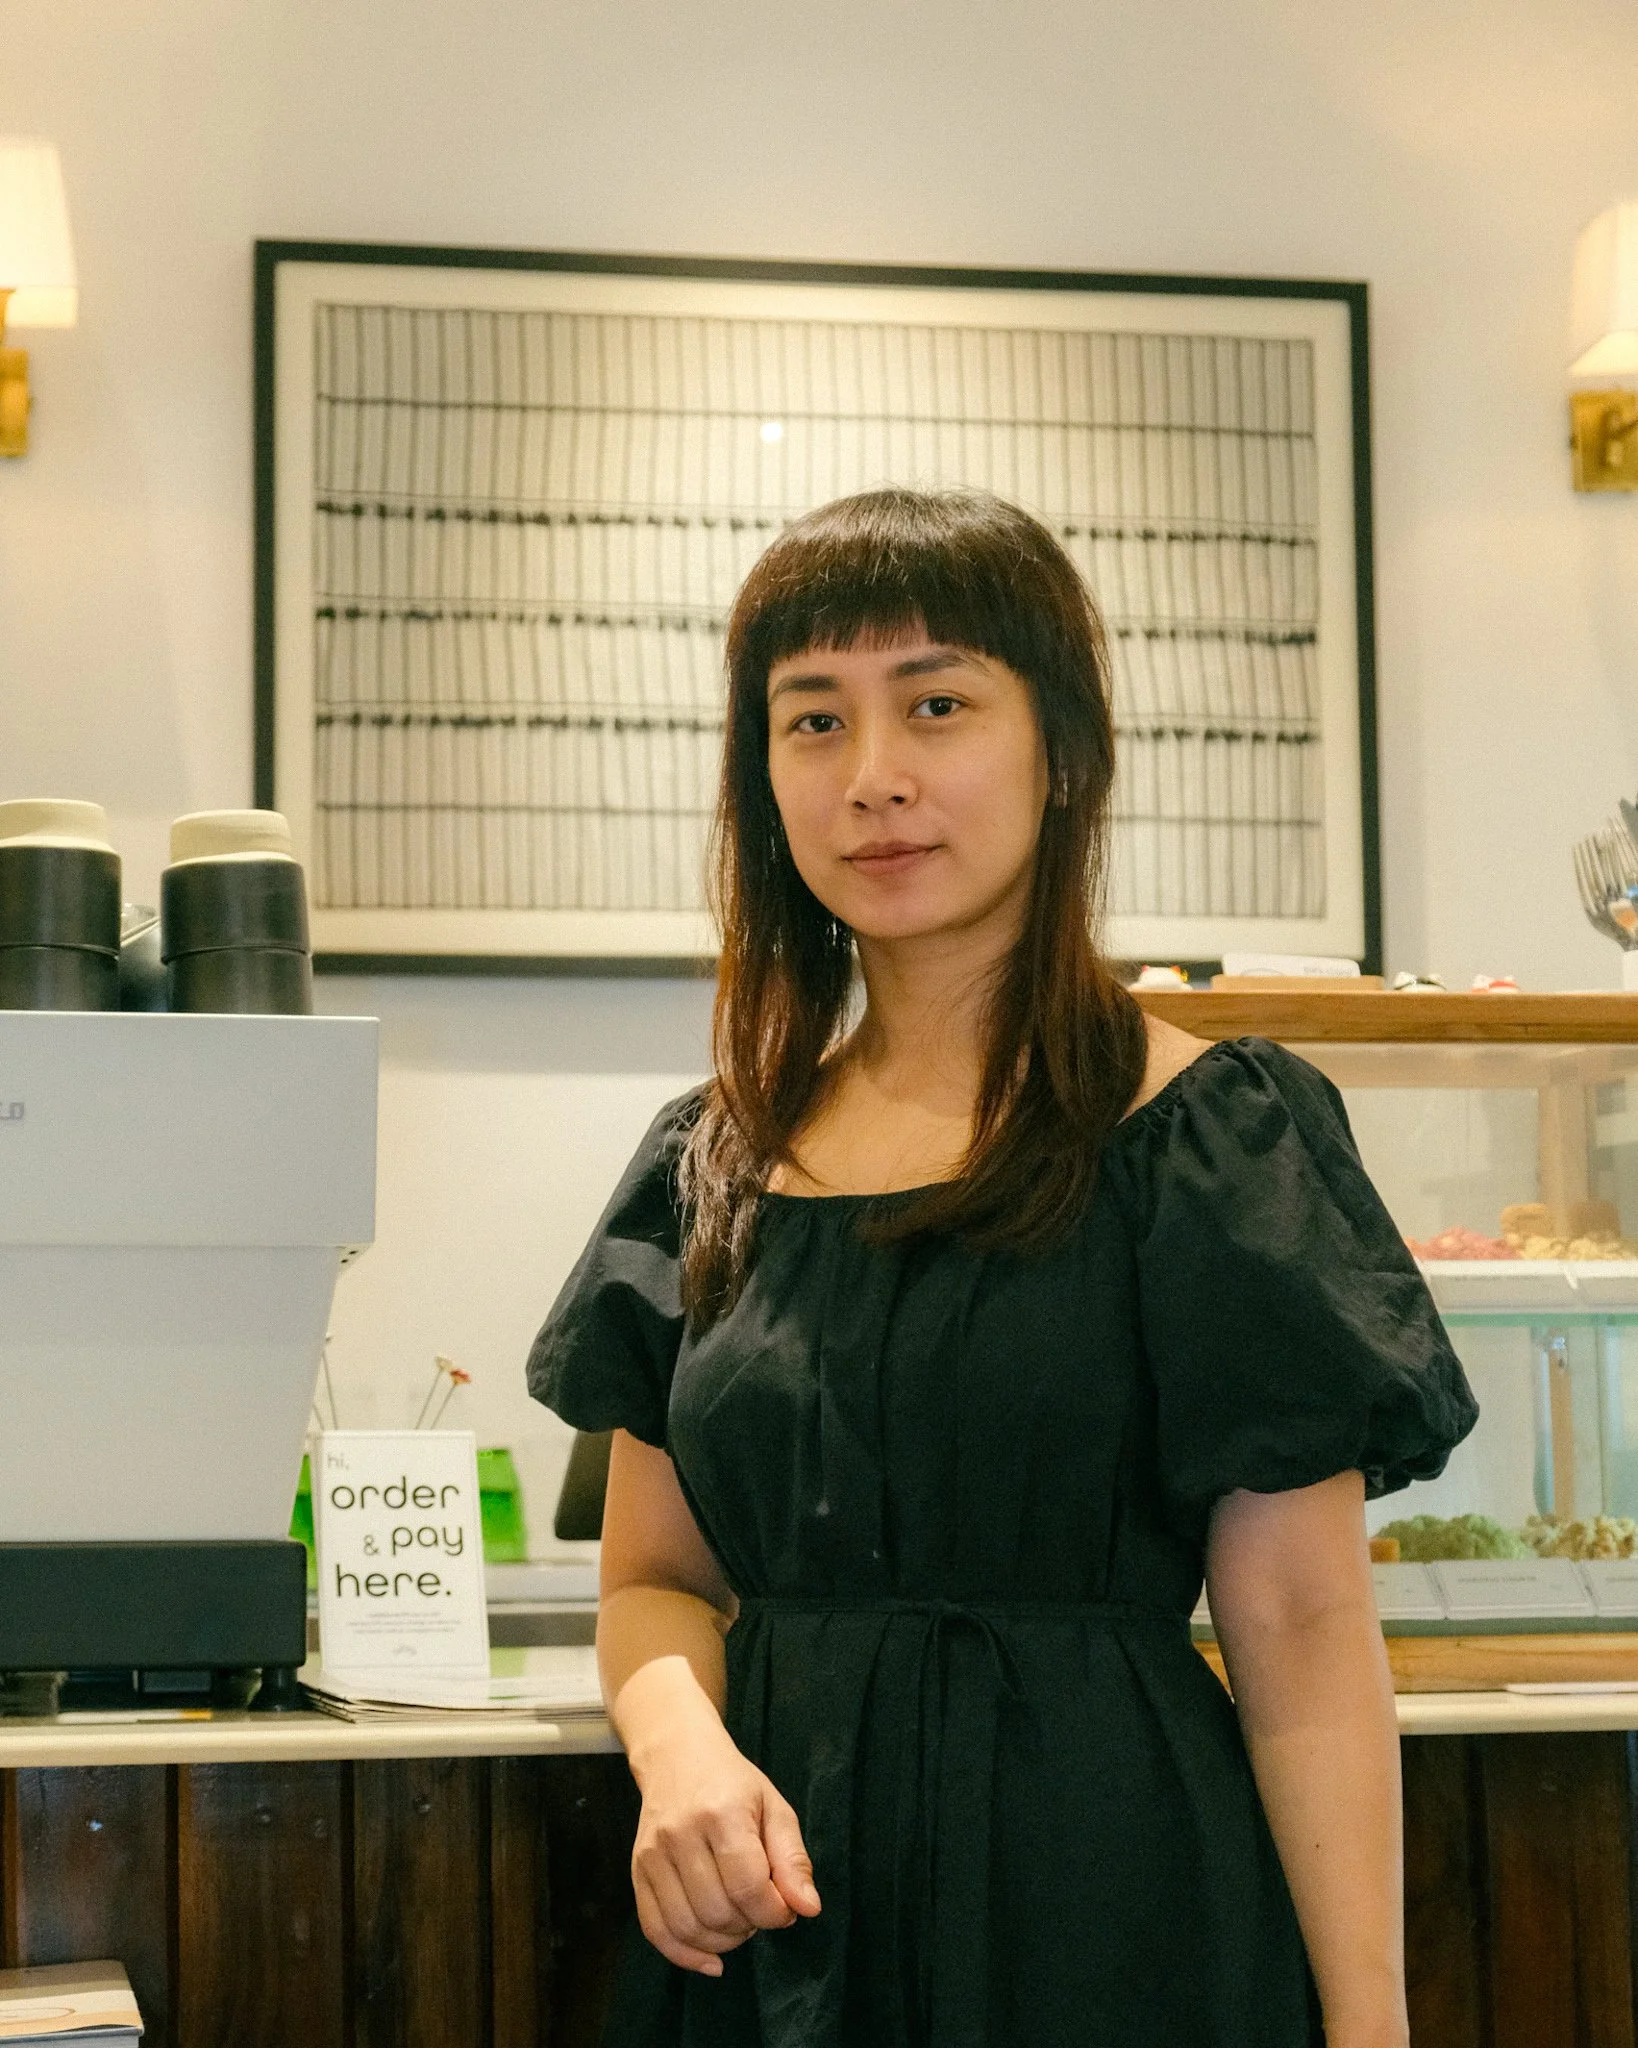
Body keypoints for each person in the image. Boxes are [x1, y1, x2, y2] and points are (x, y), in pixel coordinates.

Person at [528, 487, 1477, 2048]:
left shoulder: (1205, 1138)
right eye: (812, 720)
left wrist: (1367, 2028)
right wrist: (677, 1748)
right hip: (774, 1927)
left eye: (939, 704)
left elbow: (1301, 1631)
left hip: (1115, 1906)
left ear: (1065, 751)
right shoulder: (707, 1158)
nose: (874, 777)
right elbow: (651, 1581)